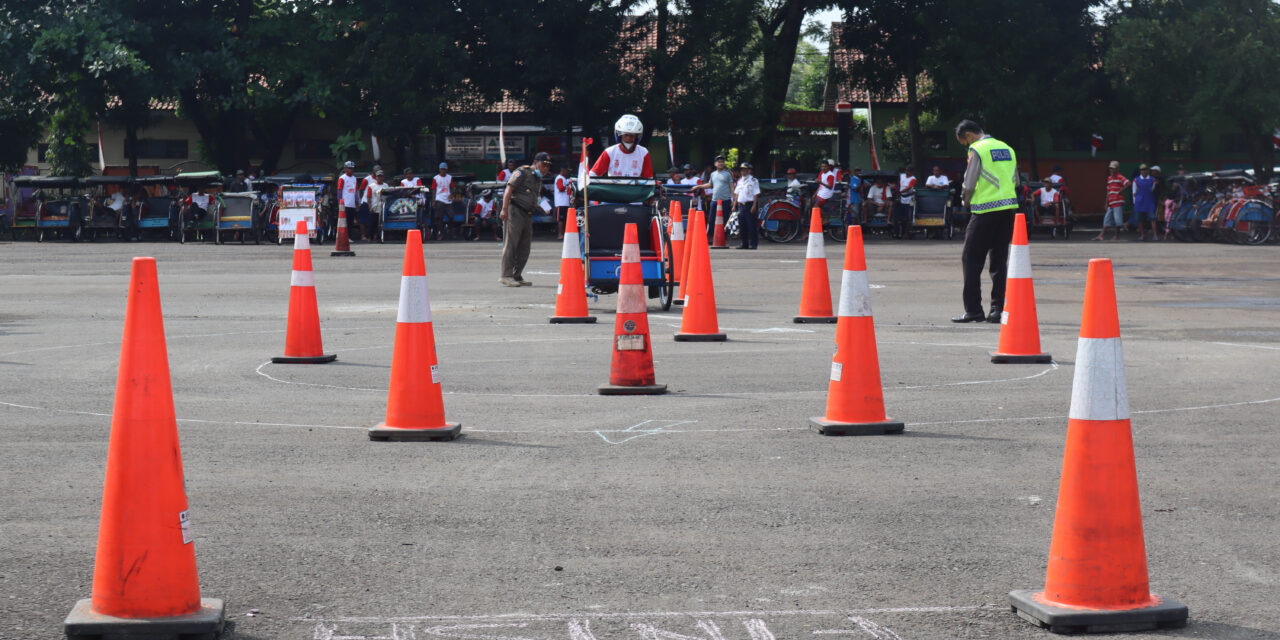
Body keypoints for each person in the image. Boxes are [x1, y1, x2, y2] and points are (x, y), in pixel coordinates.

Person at [953, 119, 1019, 324]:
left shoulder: (977, 149)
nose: (966, 147)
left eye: (964, 143)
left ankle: (973, 310)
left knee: (970, 259)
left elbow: (970, 182)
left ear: (969, 136)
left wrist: (965, 200)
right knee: (999, 259)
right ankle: (998, 309)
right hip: (1008, 209)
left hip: (984, 210)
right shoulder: (1007, 148)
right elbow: (1015, 180)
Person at [499, 151, 550, 286]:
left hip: (528, 213)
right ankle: (506, 275)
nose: (545, 168)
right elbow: (508, 190)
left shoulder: (538, 179)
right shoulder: (523, 172)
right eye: (543, 164)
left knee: (525, 247)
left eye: (548, 166)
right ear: (535, 163)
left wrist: (544, 207)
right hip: (515, 210)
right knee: (511, 244)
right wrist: (504, 209)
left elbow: (536, 197)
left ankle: (517, 275)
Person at [590, 114, 654, 179]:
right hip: (614, 188)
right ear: (619, 136)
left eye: (632, 135)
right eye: (626, 135)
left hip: (635, 189)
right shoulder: (610, 152)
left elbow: (648, 179)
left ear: (637, 137)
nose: (628, 138)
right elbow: (593, 174)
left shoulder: (643, 153)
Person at [1096, 160, 1129, 241]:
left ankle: (1116, 235)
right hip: (1111, 202)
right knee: (1106, 219)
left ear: (1117, 169)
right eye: (1110, 168)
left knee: (1117, 221)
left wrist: (1122, 190)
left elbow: (1128, 183)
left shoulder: (1120, 177)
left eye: (1113, 168)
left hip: (1118, 202)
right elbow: (1108, 191)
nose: (1111, 170)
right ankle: (1101, 235)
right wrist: (1106, 202)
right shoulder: (1109, 178)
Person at [702, 155, 733, 241]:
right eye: (719, 162)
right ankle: (712, 237)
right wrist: (699, 186)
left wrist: (734, 200)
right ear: (715, 164)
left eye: (722, 162)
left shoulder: (727, 174)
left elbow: (732, 187)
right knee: (712, 219)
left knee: (725, 219)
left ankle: (724, 238)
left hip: (725, 200)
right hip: (715, 200)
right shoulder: (713, 174)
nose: (721, 163)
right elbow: (710, 185)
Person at [733, 162, 760, 249]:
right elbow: (737, 193)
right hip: (741, 205)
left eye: (745, 170)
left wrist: (754, 205)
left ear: (749, 171)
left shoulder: (753, 180)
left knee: (751, 225)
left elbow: (756, 194)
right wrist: (734, 205)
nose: (743, 172)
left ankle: (753, 243)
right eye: (742, 170)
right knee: (742, 226)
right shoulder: (740, 181)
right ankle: (744, 243)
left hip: (749, 204)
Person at [336, 161, 363, 240]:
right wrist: (339, 202)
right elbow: (339, 191)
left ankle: (348, 237)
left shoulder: (354, 179)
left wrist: (357, 202)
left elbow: (356, 191)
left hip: (352, 204)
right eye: (349, 168)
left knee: (351, 222)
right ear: (345, 169)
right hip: (345, 204)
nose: (351, 170)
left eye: (352, 168)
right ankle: (343, 237)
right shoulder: (342, 178)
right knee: (345, 222)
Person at [1131, 163, 1157, 241]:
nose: (1144, 171)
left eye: (1145, 170)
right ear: (1140, 171)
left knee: (1152, 219)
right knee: (1140, 219)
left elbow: (1152, 189)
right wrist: (1135, 202)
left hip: (1149, 201)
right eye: (1142, 170)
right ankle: (1142, 235)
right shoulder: (1136, 180)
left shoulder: (1153, 180)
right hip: (1139, 202)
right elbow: (1134, 192)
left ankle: (1155, 235)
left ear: (1148, 170)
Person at [360, 169, 388, 240]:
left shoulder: (386, 185)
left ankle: (377, 236)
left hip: (382, 207)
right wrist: (370, 207)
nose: (380, 178)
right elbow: (369, 198)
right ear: (376, 177)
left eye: (381, 176)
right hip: (374, 207)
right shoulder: (371, 186)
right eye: (378, 176)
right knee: (371, 223)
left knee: (380, 223)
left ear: (383, 177)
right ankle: (369, 237)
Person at [429, 162, 453, 240]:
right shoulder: (436, 178)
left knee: (451, 215)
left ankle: (450, 230)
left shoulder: (449, 177)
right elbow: (434, 189)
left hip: (448, 199)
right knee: (439, 218)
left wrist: (451, 194)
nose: (443, 171)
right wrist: (433, 201)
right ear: (439, 169)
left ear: (446, 170)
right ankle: (441, 234)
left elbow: (452, 187)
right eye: (442, 169)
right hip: (439, 199)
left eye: (444, 169)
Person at [897, 165, 917, 238]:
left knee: (908, 217)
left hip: (909, 198)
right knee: (901, 217)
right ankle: (900, 233)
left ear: (912, 172)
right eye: (906, 170)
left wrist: (901, 191)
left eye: (909, 171)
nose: (907, 172)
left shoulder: (913, 178)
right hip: (901, 198)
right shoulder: (902, 176)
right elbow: (898, 183)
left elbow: (909, 187)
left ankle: (907, 232)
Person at [554, 164, 573, 239]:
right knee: (561, 220)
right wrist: (568, 186)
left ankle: (564, 234)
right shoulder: (560, 178)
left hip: (565, 203)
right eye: (566, 170)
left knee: (565, 219)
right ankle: (560, 234)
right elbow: (560, 188)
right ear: (563, 170)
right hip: (561, 203)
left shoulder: (564, 179)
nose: (567, 172)